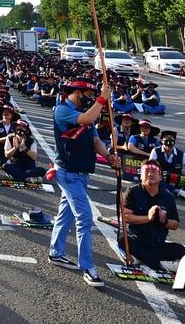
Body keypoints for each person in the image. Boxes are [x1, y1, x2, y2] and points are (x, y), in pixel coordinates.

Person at [48, 78, 109, 287]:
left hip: (82, 172)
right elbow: (86, 118)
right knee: (84, 217)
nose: (91, 99)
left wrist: (110, 158)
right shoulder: (62, 110)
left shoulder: (89, 115)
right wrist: (102, 97)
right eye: (89, 95)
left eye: (93, 96)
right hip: (67, 172)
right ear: (77, 93)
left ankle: (56, 252)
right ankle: (88, 268)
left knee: (65, 214)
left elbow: (96, 141)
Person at [121, 161, 185, 269]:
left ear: (160, 177)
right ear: (140, 175)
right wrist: (148, 218)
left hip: (157, 244)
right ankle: (156, 263)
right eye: (146, 171)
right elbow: (126, 217)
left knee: (181, 250)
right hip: (137, 240)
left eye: (154, 171)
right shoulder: (132, 191)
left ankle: (146, 259)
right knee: (122, 239)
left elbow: (175, 224)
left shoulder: (168, 197)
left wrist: (164, 221)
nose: (150, 174)